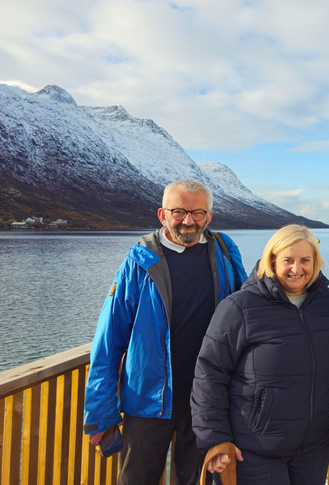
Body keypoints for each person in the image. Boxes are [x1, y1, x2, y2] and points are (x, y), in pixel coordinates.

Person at [83, 178, 247, 485]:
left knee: (195, 480)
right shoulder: (138, 261)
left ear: (208, 217)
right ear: (162, 215)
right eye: (178, 211)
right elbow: (109, 339)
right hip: (147, 402)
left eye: (198, 213)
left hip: (205, 400)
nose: (188, 221)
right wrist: (100, 411)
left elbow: (248, 310)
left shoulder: (225, 251)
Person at [191, 224, 329, 484]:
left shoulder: (327, 303)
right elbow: (209, 374)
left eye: (305, 260)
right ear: (272, 260)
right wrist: (215, 437)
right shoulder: (240, 306)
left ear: (316, 261)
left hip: (313, 450)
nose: (297, 269)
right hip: (254, 452)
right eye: (288, 260)